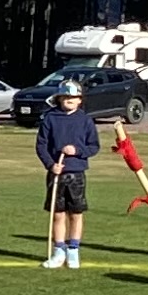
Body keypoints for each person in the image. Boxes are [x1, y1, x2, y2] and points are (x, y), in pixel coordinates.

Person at [35, 90, 101, 269]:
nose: (69, 100)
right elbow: (41, 145)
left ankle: (73, 250)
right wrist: (50, 164)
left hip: (76, 173)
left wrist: (78, 151)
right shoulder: (50, 118)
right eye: (65, 97)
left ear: (80, 100)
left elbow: (94, 146)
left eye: (73, 97)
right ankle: (58, 251)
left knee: (76, 213)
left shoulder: (85, 120)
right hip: (56, 173)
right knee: (57, 214)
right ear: (59, 99)